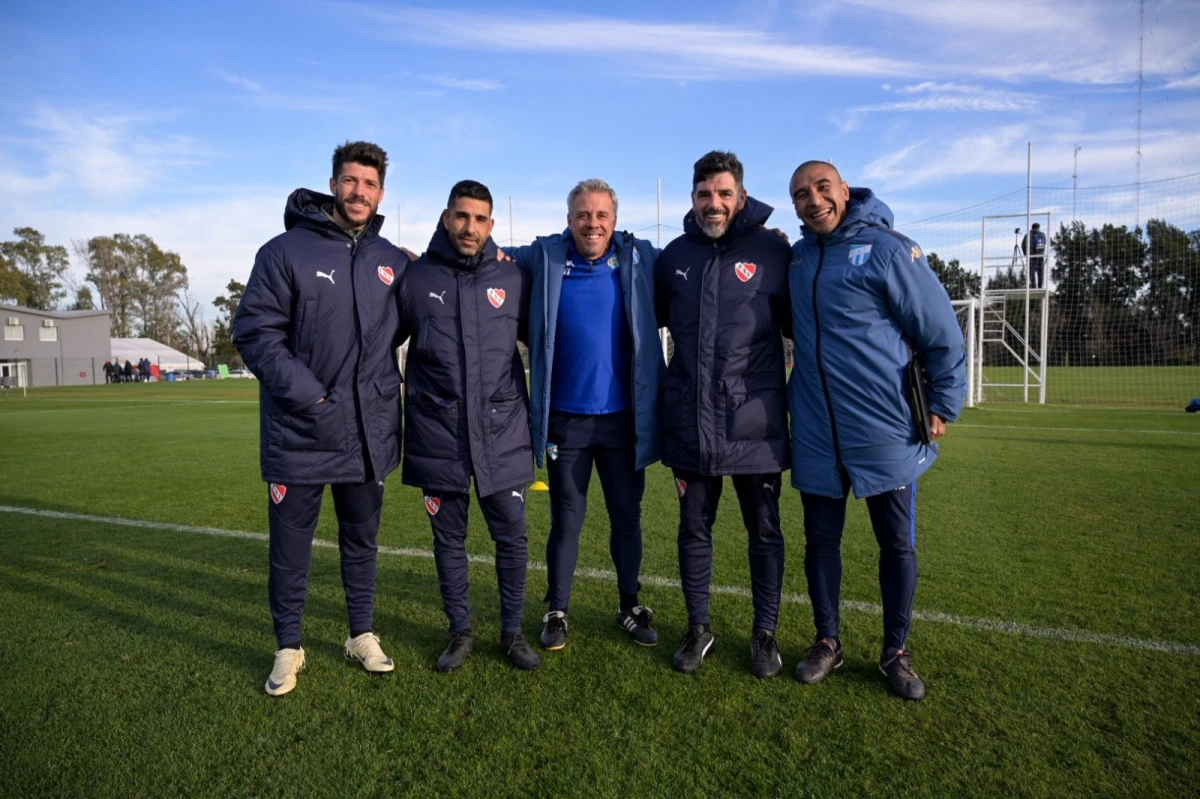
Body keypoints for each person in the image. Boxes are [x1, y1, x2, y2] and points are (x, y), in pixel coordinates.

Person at [233, 140, 409, 697]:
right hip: (301, 431)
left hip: (367, 433)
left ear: (381, 192)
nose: (360, 192)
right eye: (351, 180)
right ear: (333, 184)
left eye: (370, 184)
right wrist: (311, 399)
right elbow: (255, 334)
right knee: (291, 550)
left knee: (362, 541)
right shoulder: (283, 251)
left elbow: (429, 304)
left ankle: (361, 634)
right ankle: (288, 646)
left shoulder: (392, 260)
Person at [786, 160, 966, 701]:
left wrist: (944, 402)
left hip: (885, 426)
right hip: (816, 429)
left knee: (896, 545)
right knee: (821, 542)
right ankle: (827, 641)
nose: (814, 200)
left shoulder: (889, 250)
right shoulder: (797, 258)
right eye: (801, 194)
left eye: (823, 188)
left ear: (845, 190)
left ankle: (895, 652)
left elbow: (941, 331)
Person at [502, 179, 662, 653]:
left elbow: (693, 258)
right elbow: (487, 251)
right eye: (583, 215)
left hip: (622, 421)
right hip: (566, 422)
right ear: (569, 219)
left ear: (615, 220)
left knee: (626, 517)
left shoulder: (640, 257)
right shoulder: (545, 256)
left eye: (601, 215)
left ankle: (630, 605)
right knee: (566, 520)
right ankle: (557, 610)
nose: (593, 224)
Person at [655, 151, 792, 678]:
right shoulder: (674, 257)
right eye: (705, 194)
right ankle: (698, 627)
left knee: (765, 531)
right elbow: (652, 320)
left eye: (724, 193)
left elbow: (800, 326)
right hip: (691, 420)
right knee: (693, 529)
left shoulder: (773, 251)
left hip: (755, 423)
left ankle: (765, 633)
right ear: (693, 198)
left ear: (741, 196)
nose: (714, 203)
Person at [397, 180, 540, 672]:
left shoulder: (514, 277)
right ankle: (460, 632)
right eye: (462, 216)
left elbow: (543, 343)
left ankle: (513, 633)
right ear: (446, 218)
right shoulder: (415, 278)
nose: (470, 227)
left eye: (480, 219)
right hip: (439, 434)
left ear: (491, 225)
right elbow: (378, 341)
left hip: (504, 433)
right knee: (448, 540)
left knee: (512, 538)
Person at [1021, 222, 1047, 289]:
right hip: (1040, 256)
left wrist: (1026, 254)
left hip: (1031, 256)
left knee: (1031, 273)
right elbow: (1045, 244)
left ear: (1032, 228)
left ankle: (1033, 286)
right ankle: (1040, 286)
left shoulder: (1027, 235)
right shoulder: (1042, 234)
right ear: (1038, 227)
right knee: (1040, 273)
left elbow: (1023, 245)